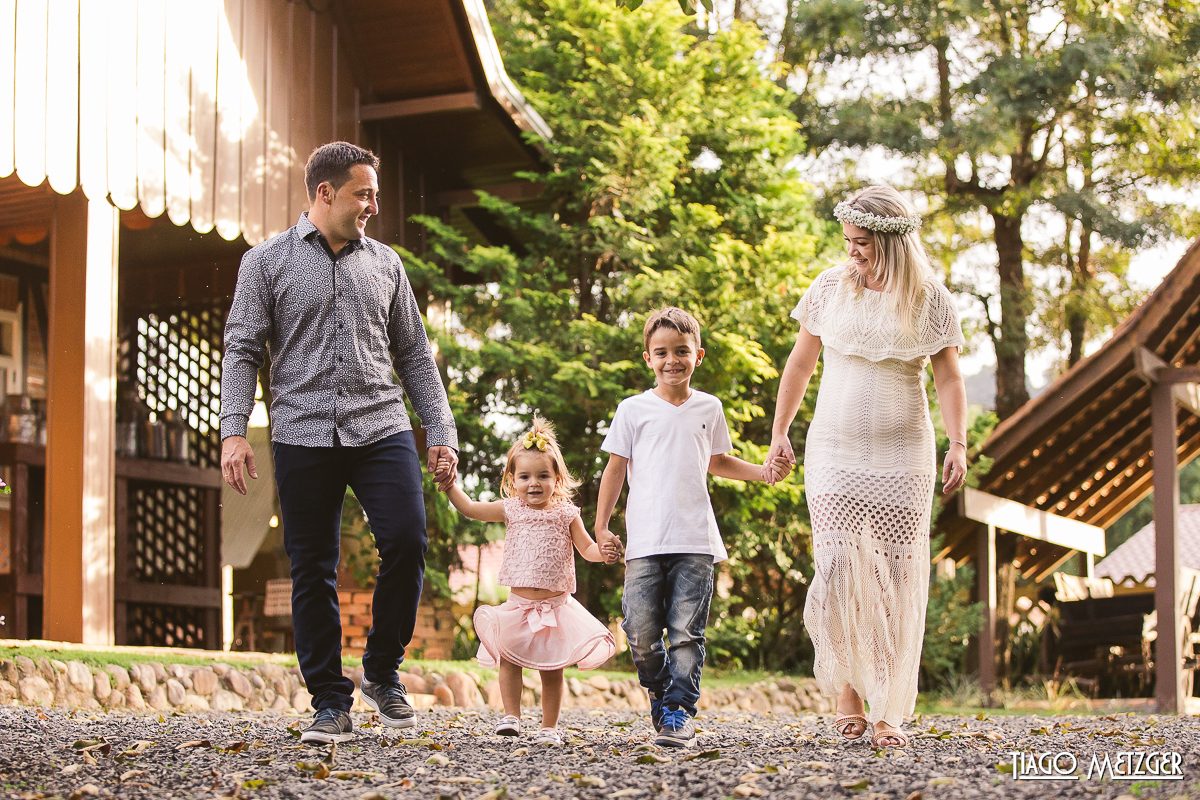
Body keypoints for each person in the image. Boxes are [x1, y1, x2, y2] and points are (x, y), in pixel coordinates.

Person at [220, 142, 459, 744]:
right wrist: (231, 431)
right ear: (325, 193)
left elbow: (414, 355)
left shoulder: (386, 264)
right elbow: (242, 349)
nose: (374, 204)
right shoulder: (264, 263)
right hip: (302, 432)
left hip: (382, 425)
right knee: (311, 568)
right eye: (364, 193)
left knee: (406, 540)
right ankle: (330, 699)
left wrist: (442, 431)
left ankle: (382, 670)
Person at [763, 185, 968, 748]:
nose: (852, 251)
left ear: (892, 243)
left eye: (862, 243)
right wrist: (780, 433)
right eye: (848, 241)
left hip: (905, 453)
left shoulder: (930, 298)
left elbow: (948, 376)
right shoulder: (830, 287)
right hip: (833, 450)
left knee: (896, 578)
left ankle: (888, 712)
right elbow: (801, 362)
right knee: (837, 570)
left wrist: (958, 442)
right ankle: (847, 698)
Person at [594, 307, 792, 748]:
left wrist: (763, 472)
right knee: (640, 632)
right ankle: (662, 693)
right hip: (645, 540)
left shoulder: (710, 407)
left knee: (686, 632)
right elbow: (614, 468)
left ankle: (679, 711)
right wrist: (602, 526)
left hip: (696, 540)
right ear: (648, 358)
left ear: (697, 355)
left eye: (681, 351)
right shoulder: (633, 409)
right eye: (661, 352)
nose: (672, 360)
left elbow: (717, 462)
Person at [441, 416, 619, 746]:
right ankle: (511, 716)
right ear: (511, 480)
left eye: (542, 476)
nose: (533, 483)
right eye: (524, 476)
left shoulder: (567, 514)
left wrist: (605, 553)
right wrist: (451, 485)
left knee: (552, 670)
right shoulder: (510, 509)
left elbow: (588, 549)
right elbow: (470, 508)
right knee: (510, 660)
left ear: (557, 479)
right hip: (518, 606)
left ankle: (549, 727)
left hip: (555, 607)